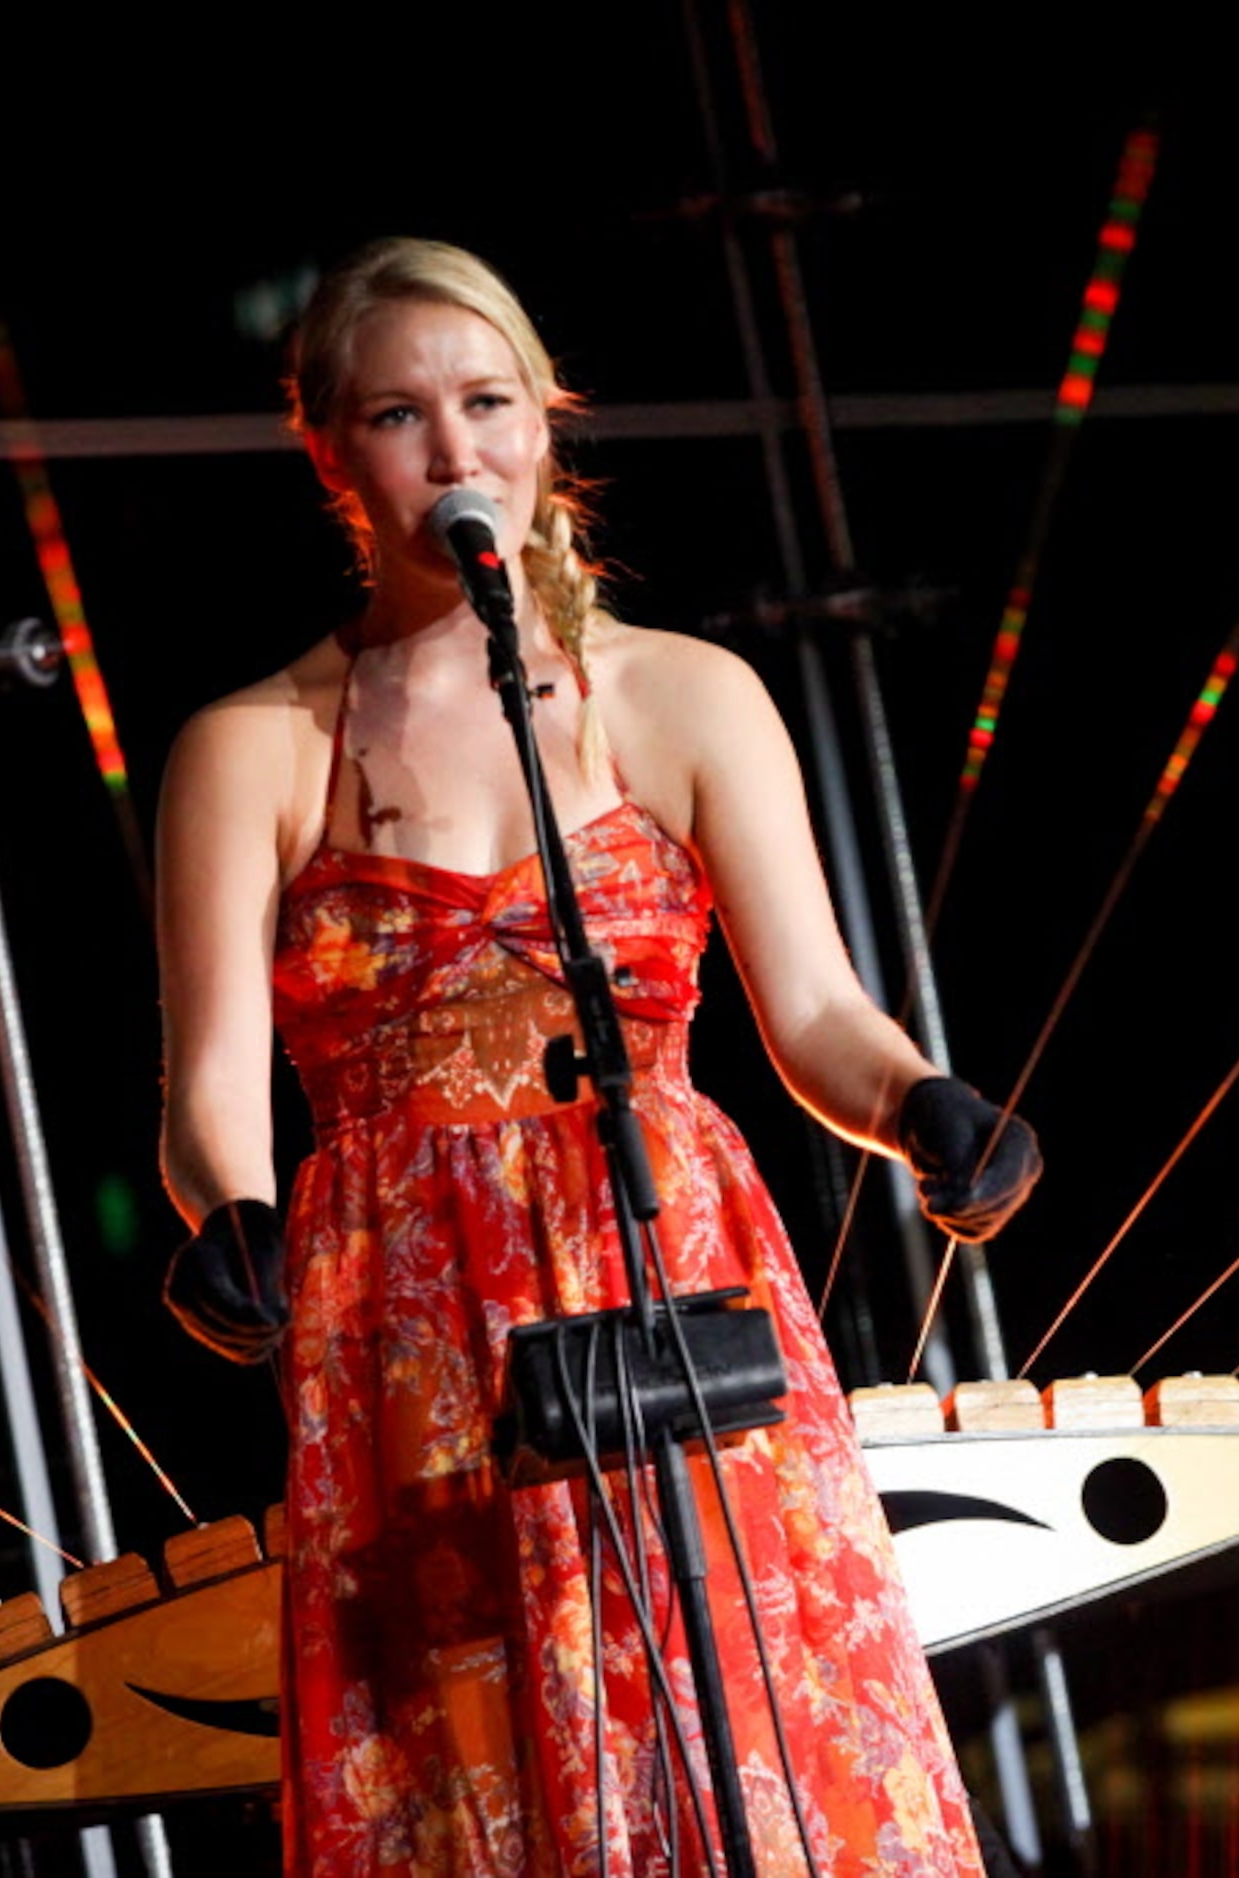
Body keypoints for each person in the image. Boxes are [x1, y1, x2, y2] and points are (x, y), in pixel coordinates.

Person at [153, 236, 1035, 1876]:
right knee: (482, 1770)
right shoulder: (255, 744)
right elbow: (210, 1092)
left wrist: (927, 1107)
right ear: (330, 449)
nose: (456, 448)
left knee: (745, 1727)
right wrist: (233, 1217)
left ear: (546, 424)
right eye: (401, 415)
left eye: (488, 402)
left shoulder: (684, 694)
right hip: (414, 1320)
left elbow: (821, 1017)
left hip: (667, 1268)